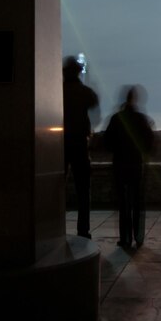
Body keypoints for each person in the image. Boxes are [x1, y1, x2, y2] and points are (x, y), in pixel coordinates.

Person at [102, 85, 155, 249]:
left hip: (120, 163)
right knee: (137, 200)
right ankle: (138, 236)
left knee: (123, 202)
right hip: (136, 163)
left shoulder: (117, 118)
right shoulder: (141, 119)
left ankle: (125, 238)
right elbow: (149, 141)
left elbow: (106, 142)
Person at [63, 56, 99, 239]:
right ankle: (83, 230)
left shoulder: (59, 91)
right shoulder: (83, 92)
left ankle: (52, 227)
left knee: (57, 189)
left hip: (59, 145)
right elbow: (94, 101)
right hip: (79, 144)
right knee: (83, 190)